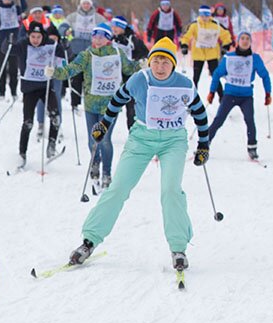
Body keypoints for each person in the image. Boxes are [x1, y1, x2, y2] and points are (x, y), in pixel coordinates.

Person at [68, 38, 209, 272]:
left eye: (165, 61)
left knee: (171, 190)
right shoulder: (139, 79)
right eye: (156, 61)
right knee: (118, 187)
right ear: (150, 62)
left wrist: (204, 144)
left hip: (173, 140)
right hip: (142, 137)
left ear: (172, 64)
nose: (160, 66)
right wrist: (104, 124)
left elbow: (200, 113)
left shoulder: (184, 83)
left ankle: (178, 248)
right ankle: (89, 240)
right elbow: (117, 100)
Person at [48, 23, 138, 191]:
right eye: (95, 36)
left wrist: (142, 65)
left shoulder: (117, 53)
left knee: (104, 139)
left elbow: (129, 68)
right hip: (90, 104)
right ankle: (95, 163)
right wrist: (54, 72)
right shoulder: (87, 55)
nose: (97, 39)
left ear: (108, 39)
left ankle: (107, 173)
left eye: (101, 36)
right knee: (92, 139)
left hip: (111, 105)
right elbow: (71, 69)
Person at [206, 31, 271, 160]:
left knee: (249, 120)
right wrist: (212, 92)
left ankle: (252, 147)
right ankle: (204, 144)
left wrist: (268, 93)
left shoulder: (255, 58)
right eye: (242, 38)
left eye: (247, 39)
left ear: (250, 42)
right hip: (229, 94)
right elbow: (217, 73)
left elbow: (265, 75)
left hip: (246, 96)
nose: (245, 41)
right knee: (219, 120)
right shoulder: (229, 57)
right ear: (238, 41)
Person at [14, 22, 65, 166]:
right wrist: (8, 43)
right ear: (28, 36)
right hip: (29, 88)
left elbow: (65, 53)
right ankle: (22, 153)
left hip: (46, 86)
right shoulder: (23, 45)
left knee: (55, 117)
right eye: (33, 37)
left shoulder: (50, 44)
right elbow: (6, 50)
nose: (35, 40)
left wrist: (65, 47)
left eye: (38, 37)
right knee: (28, 123)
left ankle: (51, 145)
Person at [180, 5, 232, 97]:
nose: (204, 18)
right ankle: (193, 97)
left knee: (215, 76)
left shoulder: (215, 24)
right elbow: (186, 35)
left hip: (212, 54)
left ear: (210, 15)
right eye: (202, 15)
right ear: (200, 15)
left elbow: (226, 34)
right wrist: (184, 45)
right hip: (198, 54)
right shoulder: (194, 25)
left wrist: (226, 45)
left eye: (207, 15)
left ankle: (221, 96)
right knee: (196, 77)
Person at [112, 16, 148, 132]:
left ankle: (133, 133)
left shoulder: (133, 40)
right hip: (113, 78)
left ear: (122, 27)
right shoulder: (110, 40)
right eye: (113, 26)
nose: (114, 28)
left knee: (131, 108)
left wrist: (142, 61)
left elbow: (145, 54)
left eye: (117, 26)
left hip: (130, 78)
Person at [0, 0, 27, 100]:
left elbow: (24, 8)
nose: (7, 0)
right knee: (2, 69)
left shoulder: (15, 8)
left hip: (14, 41)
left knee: (14, 69)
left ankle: (14, 91)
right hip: (2, 42)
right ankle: (2, 92)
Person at [66, 0, 100, 111]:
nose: (86, 5)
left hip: (92, 52)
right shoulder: (73, 16)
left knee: (90, 79)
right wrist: (65, 31)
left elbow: (107, 27)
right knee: (76, 78)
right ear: (80, 4)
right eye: (84, 3)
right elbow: (63, 26)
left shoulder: (97, 17)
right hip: (76, 50)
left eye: (88, 4)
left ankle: (89, 102)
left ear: (91, 5)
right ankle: (74, 104)